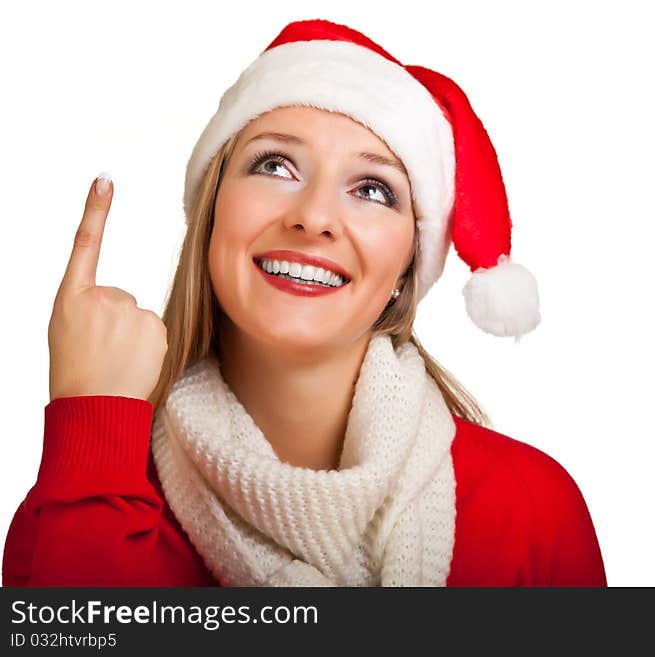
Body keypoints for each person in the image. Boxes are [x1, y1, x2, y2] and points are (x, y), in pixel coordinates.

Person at [2, 19, 606, 587]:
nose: (314, 217)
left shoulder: (532, 511)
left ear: (407, 267)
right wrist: (91, 420)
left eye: (373, 189)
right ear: (212, 213)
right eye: (275, 165)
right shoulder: (80, 494)